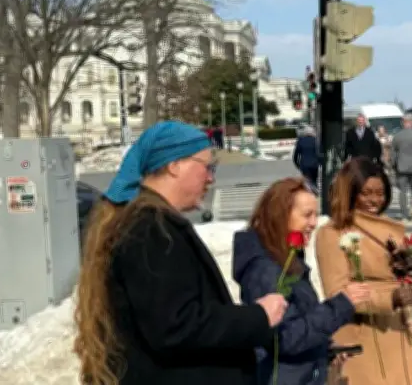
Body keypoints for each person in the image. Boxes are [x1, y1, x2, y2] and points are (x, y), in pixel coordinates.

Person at [74, 121, 288, 385]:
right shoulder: (150, 230)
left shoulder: (151, 223)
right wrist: (258, 316)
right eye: (207, 167)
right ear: (174, 165)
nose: (211, 178)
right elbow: (175, 327)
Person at [232, 177, 371, 385]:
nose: (314, 223)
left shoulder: (286, 258)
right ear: (280, 216)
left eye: (315, 215)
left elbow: (301, 318)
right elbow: (286, 337)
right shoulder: (266, 269)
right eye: (307, 215)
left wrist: (323, 347)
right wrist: (341, 304)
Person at [315, 157, 412, 385]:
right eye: (366, 193)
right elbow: (337, 293)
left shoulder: (388, 227)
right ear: (350, 192)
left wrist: (408, 266)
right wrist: (389, 299)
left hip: (400, 331)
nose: (375, 200)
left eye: (380, 193)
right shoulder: (332, 233)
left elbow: (398, 273)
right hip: (365, 337)